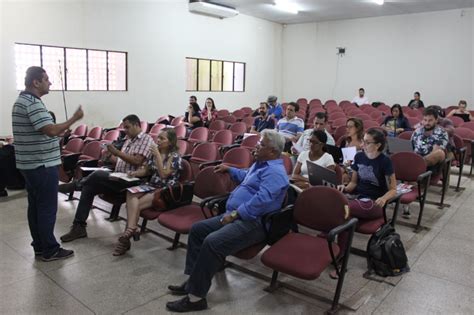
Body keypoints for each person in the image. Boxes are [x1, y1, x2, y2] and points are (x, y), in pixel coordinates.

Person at [166, 129, 289, 312]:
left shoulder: (276, 173)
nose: (256, 146)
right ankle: (194, 281)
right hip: (236, 215)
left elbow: (261, 202)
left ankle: (196, 298)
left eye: (261, 144)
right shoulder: (261, 164)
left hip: (254, 222)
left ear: (272, 151)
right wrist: (230, 169)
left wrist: (235, 214)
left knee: (212, 242)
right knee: (198, 230)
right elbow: (247, 178)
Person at [12, 66, 84, 261]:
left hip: (31, 165)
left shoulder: (23, 101)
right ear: (36, 82)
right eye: (46, 79)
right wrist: (73, 119)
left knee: (35, 207)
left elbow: (43, 132)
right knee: (46, 208)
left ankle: (39, 246)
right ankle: (50, 249)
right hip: (41, 166)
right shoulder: (33, 103)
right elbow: (50, 130)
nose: (50, 83)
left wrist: (60, 133)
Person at [59, 114, 154, 242]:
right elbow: (121, 161)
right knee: (89, 187)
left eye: (127, 127)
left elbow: (137, 161)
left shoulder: (146, 140)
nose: (125, 130)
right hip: (119, 177)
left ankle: (75, 185)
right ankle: (79, 227)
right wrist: (109, 156)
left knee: (98, 174)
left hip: (133, 181)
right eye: (124, 127)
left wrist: (117, 152)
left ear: (137, 125)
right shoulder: (128, 139)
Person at [335, 128, 397, 276]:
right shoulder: (360, 157)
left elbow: (393, 189)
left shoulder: (385, 161)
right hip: (358, 199)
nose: (363, 145)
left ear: (378, 145)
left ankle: (328, 234)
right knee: (346, 219)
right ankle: (341, 256)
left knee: (342, 207)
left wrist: (384, 198)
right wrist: (344, 188)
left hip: (374, 204)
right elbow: (354, 183)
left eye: (368, 142)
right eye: (363, 141)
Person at [113, 128, 182, 256]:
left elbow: (163, 175)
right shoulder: (155, 153)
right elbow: (148, 170)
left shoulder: (175, 156)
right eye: (158, 138)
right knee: (130, 192)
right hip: (152, 185)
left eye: (162, 139)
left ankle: (127, 235)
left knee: (132, 206)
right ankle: (132, 229)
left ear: (171, 142)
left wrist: (157, 156)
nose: (158, 140)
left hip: (164, 190)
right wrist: (135, 173)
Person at [411, 107, 449, 171]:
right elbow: (411, 146)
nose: (427, 123)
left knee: (440, 153)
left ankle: (416, 166)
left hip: (430, 165)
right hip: (414, 159)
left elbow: (435, 151)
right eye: (425, 120)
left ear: (436, 120)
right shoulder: (418, 131)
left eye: (430, 120)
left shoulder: (442, 133)